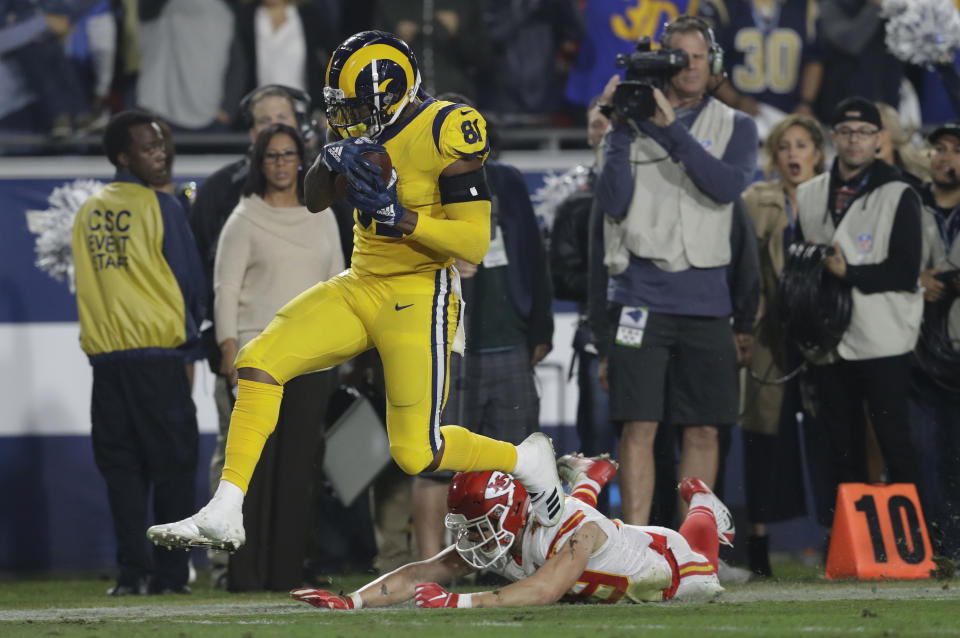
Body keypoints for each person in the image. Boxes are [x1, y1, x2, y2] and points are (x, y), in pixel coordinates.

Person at [146, 30, 565, 554]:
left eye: (357, 106)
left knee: (418, 452)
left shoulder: (449, 128)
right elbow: (314, 198)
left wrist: (400, 216)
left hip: (419, 294)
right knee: (259, 362)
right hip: (361, 281)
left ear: (392, 93)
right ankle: (226, 509)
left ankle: (525, 460)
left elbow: (474, 243)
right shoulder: (366, 128)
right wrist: (330, 160)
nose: (349, 116)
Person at [592, 15, 759, 526]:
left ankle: (692, 547)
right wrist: (619, 127)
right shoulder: (627, 124)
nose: (689, 67)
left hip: (707, 302)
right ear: (662, 62)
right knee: (639, 425)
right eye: (678, 56)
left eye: (699, 57)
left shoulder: (737, 125)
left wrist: (668, 130)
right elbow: (614, 202)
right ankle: (636, 546)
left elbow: (725, 186)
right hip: (640, 295)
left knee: (705, 428)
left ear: (714, 65)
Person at [289, 455, 731, 609]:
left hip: (667, 567)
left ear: (511, 510)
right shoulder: (505, 529)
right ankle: (590, 479)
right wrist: (353, 601)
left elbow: (544, 590)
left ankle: (705, 505)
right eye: (469, 527)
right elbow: (419, 573)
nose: (476, 537)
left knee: (703, 575)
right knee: (576, 514)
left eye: (481, 525)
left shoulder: (575, 532)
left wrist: (457, 602)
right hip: (597, 538)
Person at [411, 92, 555, 559]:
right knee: (436, 461)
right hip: (445, 346)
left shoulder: (508, 181)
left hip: (508, 342)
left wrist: (540, 328)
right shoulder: (417, 186)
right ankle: (431, 562)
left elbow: (534, 255)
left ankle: (517, 558)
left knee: (518, 461)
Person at [71, 110, 205, 595]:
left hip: (107, 366)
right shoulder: (162, 207)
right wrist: (193, 338)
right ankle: (171, 577)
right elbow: (188, 281)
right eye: (149, 147)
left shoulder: (86, 213)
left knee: (122, 472)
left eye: (161, 144)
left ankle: (132, 575)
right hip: (159, 362)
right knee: (173, 470)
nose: (161, 152)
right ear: (124, 156)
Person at [214, 123, 344, 590]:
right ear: (260, 163)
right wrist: (229, 347)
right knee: (255, 470)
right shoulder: (244, 219)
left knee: (300, 470)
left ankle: (288, 573)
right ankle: (245, 575)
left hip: (312, 360)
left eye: (290, 154)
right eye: (272, 156)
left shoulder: (322, 214)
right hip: (260, 357)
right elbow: (225, 289)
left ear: (301, 159)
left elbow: (339, 283)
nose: (282, 163)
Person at [795, 97, 924, 520]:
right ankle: (848, 541)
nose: (855, 140)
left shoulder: (901, 191)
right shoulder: (809, 192)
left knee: (894, 440)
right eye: (847, 132)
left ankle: (920, 539)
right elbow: (800, 261)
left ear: (879, 139)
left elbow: (905, 272)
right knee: (840, 446)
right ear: (834, 137)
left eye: (865, 132)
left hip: (884, 337)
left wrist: (848, 271)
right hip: (830, 340)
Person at [741, 113, 826, 576]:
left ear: (817, 153)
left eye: (802, 145)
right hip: (770, 338)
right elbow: (744, 269)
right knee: (763, 441)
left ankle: (841, 535)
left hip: (823, 340)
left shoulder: (835, 197)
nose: (793, 154)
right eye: (784, 147)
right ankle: (758, 547)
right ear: (774, 157)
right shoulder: (756, 200)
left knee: (830, 437)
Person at [550, 97, 617, 515]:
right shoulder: (576, 203)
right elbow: (561, 277)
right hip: (597, 334)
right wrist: (612, 284)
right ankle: (599, 532)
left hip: (656, 326)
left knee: (659, 439)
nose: (604, 131)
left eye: (611, 123)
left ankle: (658, 532)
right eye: (597, 124)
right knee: (597, 444)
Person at [914, 121, 960, 562]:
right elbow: (886, 260)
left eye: (956, 150)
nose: (946, 157)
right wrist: (915, 279)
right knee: (923, 451)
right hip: (919, 349)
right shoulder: (910, 202)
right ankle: (933, 544)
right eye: (940, 148)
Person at [699, 0, 824, 138]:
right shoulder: (720, 5)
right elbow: (707, 62)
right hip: (734, 118)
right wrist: (734, 99)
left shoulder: (805, 6)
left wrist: (805, 103)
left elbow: (814, 60)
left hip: (788, 113)